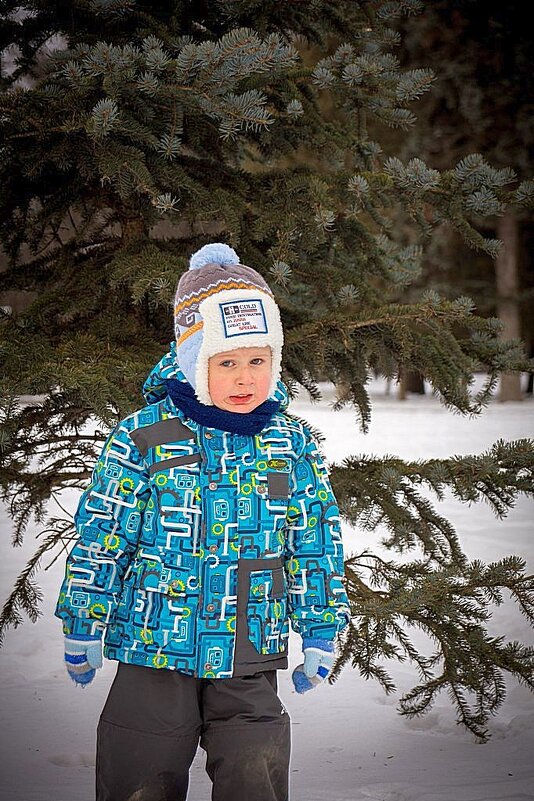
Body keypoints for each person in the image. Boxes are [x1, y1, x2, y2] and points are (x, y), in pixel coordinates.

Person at [55, 242, 350, 801]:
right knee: (139, 769)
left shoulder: (290, 443)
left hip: (248, 640)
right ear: (194, 363)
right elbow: (102, 534)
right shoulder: (145, 438)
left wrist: (320, 626)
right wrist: (84, 617)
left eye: (258, 361)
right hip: (154, 639)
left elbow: (313, 541)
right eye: (227, 362)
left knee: (254, 768)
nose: (245, 379)